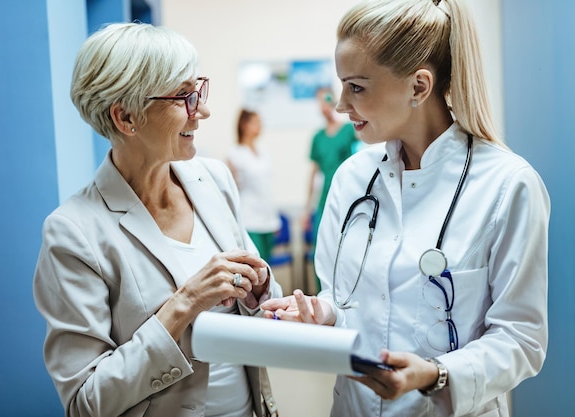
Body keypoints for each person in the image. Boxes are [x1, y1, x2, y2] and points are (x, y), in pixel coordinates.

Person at [261, 1, 550, 416]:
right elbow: (343, 301)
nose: (342, 104)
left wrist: (435, 374)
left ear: (418, 87)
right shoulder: (351, 178)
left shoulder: (507, 185)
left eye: (356, 87)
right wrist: (321, 313)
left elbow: (521, 339)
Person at [33, 23, 281, 417]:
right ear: (125, 117)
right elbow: (86, 402)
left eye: (197, 90)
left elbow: (258, 303)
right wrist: (183, 305)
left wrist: (260, 289)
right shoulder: (74, 233)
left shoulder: (213, 179)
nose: (203, 111)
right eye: (183, 96)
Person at [302, 86, 359, 291]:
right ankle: (325, 296)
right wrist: (307, 210)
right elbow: (314, 174)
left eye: (327, 99)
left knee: (348, 247)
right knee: (322, 248)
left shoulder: (349, 130)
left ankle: (348, 294)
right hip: (324, 197)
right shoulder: (318, 137)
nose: (323, 105)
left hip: (349, 195)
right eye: (319, 101)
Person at [226, 109, 281, 263]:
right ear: (244, 125)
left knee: (268, 268)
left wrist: (274, 219)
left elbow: (267, 188)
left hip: (268, 220)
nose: (260, 127)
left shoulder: (263, 152)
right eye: (256, 123)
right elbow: (231, 191)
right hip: (249, 220)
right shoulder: (234, 154)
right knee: (256, 268)